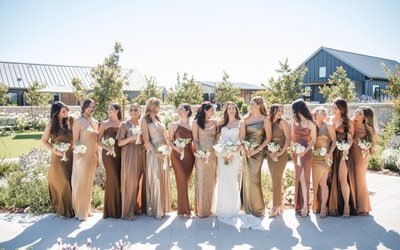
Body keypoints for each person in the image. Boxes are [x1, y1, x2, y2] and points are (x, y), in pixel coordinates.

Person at [41, 101, 75, 218]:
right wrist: (55, 151)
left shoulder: (71, 120)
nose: (66, 113)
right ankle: (64, 210)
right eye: (63, 111)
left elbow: (76, 137)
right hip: (58, 157)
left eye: (66, 110)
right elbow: (43, 141)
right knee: (64, 182)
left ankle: (73, 208)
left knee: (72, 181)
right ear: (56, 113)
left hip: (72, 156)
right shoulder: (51, 124)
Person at [212, 101, 244, 217]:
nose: (231, 110)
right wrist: (221, 151)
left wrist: (231, 153)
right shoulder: (222, 123)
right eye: (229, 108)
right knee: (223, 180)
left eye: (233, 108)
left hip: (234, 156)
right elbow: (217, 140)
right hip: (222, 156)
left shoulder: (241, 123)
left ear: (236, 110)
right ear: (226, 110)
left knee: (232, 180)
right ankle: (221, 208)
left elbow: (241, 141)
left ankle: (232, 208)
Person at [141, 97, 171, 220]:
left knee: (163, 178)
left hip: (164, 151)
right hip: (154, 151)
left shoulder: (159, 118)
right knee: (156, 178)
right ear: (153, 106)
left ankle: (163, 207)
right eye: (158, 105)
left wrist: (168, 148)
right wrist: (156, 152)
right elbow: (146, 140)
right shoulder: (145, 120)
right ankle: (156, 209)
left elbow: (165, 135)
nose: (159, 108)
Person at [242, 96, 272, 217]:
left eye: (253, 104)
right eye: (250, 104)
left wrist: (257, 149)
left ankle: (258, 208)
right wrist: (245, 149)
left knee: (254, 179)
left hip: (258, 153)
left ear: (259, 105)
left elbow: (268, 138)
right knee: (247, 179)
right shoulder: (246, 119)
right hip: (247, 153)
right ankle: (248, 208)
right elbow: (243, 137)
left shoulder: (265, 119)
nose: (251, 106)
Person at [327, 97, 356, 217]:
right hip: (333, 152)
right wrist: (329, 153)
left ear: (342, 108)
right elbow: (332, 139)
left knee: (343, 178)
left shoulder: (348, 121)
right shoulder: (329, 120)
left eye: (336, 108)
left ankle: (346, 206)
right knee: (331, 178)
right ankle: (334, 205)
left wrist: (347, 148)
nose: (333, 110)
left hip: (344, 153)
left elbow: (350, 139)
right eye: (333, 107)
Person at [117, 103, 146, 221]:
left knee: (138, 182)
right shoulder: (125, 124)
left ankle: (135, 207)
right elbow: (119, 143)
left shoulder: (141, 124)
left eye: (136, 110)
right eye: (132, 110)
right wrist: (131, 138)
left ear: (140, 111)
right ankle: (127, 212)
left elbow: (145, 139)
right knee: (130, 182)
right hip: (129, 155)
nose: (134, 112)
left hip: (140, 154)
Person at [71, 99, 99, 221]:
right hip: (81, 156)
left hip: (92, 157)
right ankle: (80, 212)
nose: (91, 109)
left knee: (89, 183)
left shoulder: (95, 122)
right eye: (89, 106)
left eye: (93, 107)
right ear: (84, 107)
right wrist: (79, 151)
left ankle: (87, 208)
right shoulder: (78, 121)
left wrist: (97, 156)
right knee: (81, 183)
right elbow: (75, 140)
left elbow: (96, 141)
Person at [291, 99, 316, 217]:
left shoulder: (311, 123)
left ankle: (306, 206)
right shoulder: (294, 119)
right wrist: (295, 149)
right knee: (299, 179)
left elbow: (313, 141)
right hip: (296, 152)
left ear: (300, 109)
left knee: (305, 179)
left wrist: (304, 151)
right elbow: (292, 136)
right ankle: (300, 205)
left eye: (295, 110)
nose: (294, 112)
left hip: (306, 153)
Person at [168, 104, 195, 218]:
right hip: (176, 156)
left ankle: (181, 210)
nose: (179, 111)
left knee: (185, 182)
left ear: (188, 111)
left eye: (181, 109)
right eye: (178, 109)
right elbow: (169, 141)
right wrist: (175, 148)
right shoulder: (174, 125)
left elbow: (195, 142)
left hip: (189, 157)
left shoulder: (193, 126)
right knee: (181, 179)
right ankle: (186, 211)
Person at [349, 106, 376, 215]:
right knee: (351, 178)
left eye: (360, 114)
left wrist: (366, 147)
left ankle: (362, 207)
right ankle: (353, 205)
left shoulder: (368, 128)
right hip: (350, 153)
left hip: (361, 155)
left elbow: (370, 142)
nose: (356, 114)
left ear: (364, 118)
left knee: (360, 179)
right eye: (356, 111)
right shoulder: (351, 123)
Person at [192, 101, 218, 218]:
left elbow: (217, 139)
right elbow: (195, 140)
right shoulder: (196, 122)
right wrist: (200, 154)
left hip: (213, 155)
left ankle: (211, 207)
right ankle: (202, 210)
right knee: (202, 180)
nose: (214, 112)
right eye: (212, 109)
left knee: (212, 180)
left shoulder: (215, 122)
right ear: (206, 110)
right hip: (201, 155)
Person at [311, 106, 336, 218]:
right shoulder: (312, 126)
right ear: (316, 114)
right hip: (315, 158)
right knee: (316, 183)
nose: (325, 112)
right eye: (322, 111)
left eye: (326, 111)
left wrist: (330, 152)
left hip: (326, 158)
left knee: (323, 182)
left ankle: (324, 207)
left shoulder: (329, 126)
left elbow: (334, 141)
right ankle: (317, 205)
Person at [98, 104, 122, 219]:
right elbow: (98, 141)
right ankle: (111, 210)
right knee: (112, 177)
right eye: (108, 109)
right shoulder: (104, 123)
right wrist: (106, 147)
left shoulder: (123, 124)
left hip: (121, 154)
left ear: (117, 111)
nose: (109, 111)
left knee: (120, 178)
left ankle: (121, 208)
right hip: (108, 154)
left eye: (111, 109)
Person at [266, 104, 290, 218]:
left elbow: (288, 140)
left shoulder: (283, 123)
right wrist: (270, 151)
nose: (280, 112)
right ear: (273, 111)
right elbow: (266, 139)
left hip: (281, 154)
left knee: (277, 178)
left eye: (281, 110)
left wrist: (280, 153)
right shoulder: (268, 122)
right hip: (270, 154)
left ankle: (275, 206)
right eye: (278, 110)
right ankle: (279, 205)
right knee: (274, 179)